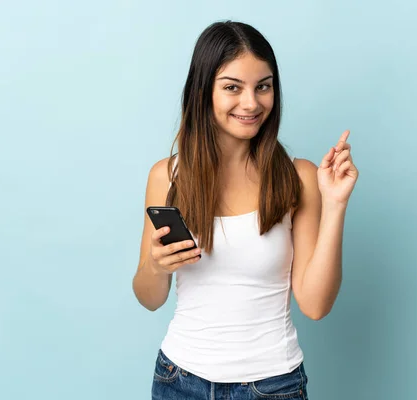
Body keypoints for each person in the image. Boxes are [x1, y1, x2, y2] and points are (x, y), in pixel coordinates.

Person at [132, 20, 359, 400]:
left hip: (271, 385)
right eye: (233, 88)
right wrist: (156, 266)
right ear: (203, 91)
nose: (252, 103)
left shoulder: (298, 178)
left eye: (263, 86)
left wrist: (335, 204)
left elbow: (316, 305)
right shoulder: (167, 176)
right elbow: (150, 297)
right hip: (177, 380)